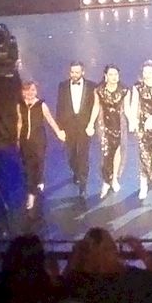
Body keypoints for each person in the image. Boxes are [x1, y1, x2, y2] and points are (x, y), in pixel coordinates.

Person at [17, 79, 65, 213]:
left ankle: (39, 180)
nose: (30, 93)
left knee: (39, 164)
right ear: (23, 92)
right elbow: (20, 122)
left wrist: (58, 132)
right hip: (25, 141)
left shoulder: (41, 105)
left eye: (32, 90)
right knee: (28, 168)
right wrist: (18, 138)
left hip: (39, 140)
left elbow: (50, 120)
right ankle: (31, 194)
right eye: (27, 90)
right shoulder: (20, 105)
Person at [55, 61, 99, 202]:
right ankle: (76, 171)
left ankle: (83, 186)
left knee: (83, 155)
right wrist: (60, 128)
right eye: (72, 72)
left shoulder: (92, 86)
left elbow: (95, 107)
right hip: (68, 126)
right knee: (71, 154)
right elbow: (59, 107)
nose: (74, 74)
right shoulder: (62, 86)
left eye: (77, 72)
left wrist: (92, 125)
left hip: (84, 126)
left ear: (83, 72)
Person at [129, 60, 152, 200]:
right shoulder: (138, 86)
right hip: (142, 122)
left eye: (150, 72)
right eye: (145, 72)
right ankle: (145, 182)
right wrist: (133, 121)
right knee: (143, 153)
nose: (148, 74)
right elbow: (134, 104)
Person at [95, 65, 128, 198]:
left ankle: (114, 179)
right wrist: (90, 124)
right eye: (111, 74)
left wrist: (133, 121)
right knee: (106, 152)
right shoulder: (99, 90)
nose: (114, 77)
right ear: (105, 76)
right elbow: (96, 107)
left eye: (116, 74)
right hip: (104, 124)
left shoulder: (124, 90)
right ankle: (106, 180)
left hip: (119, 124)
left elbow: (127, 108)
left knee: (117, 151)